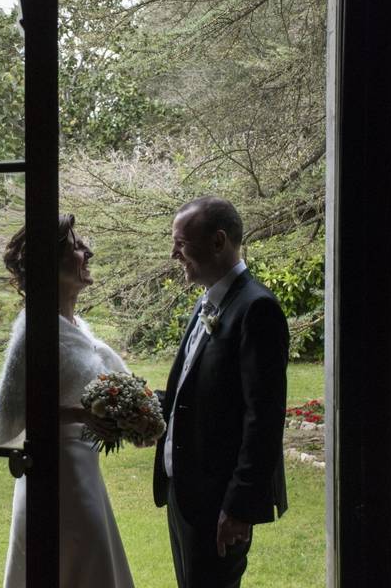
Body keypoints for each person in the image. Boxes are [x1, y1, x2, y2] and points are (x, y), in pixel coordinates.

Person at [0, 214, 135, 588]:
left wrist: (134, 417)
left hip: (83, 472)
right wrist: (78, 415)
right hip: (54, 477)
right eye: (75, 246)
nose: (87, 252)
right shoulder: (33, 333)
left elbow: (108, 386)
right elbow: (9, 421)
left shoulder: (77, 328)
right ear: (50, 265)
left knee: (92, 564)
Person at [154, 196, 289, 588]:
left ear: (218, 242)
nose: (174, 254)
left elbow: (262, 417)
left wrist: (239, 506)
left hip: (218, 500)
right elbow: (193, 394)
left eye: (181, 243)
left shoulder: (257, 308)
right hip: (185, 490)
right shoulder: (209, 302)